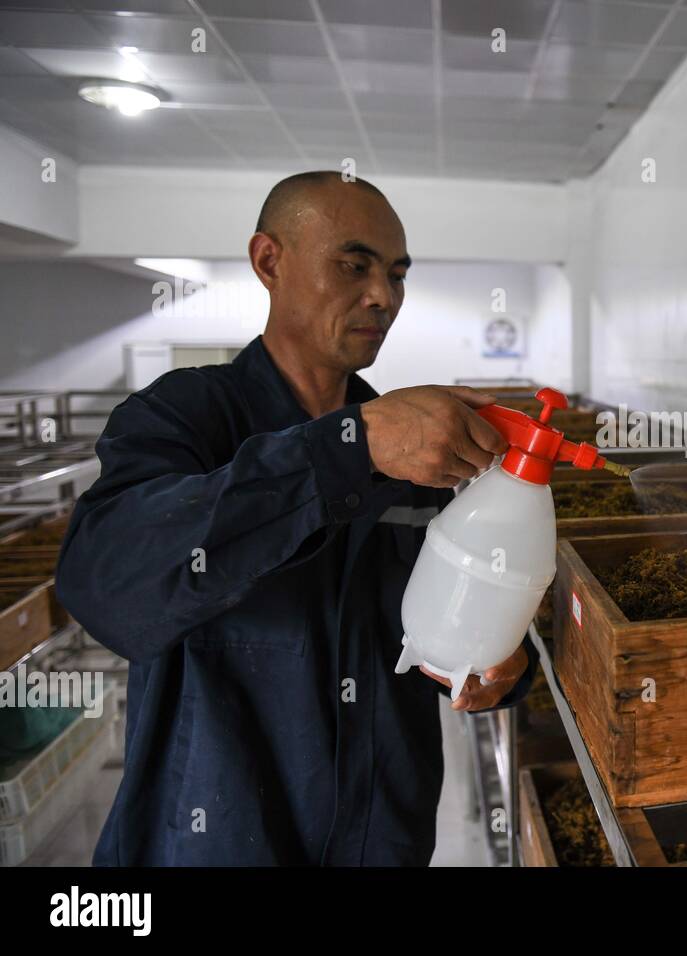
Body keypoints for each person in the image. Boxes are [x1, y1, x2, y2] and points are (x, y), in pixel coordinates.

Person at [55, 171, 538, 866]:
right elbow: (105, 585)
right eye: (354, 264)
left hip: (381, 842)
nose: (384, 296)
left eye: (398, 274)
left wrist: (501, 665)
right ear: (269, 261)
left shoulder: (413, 454)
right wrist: (348, 448)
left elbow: (453, 619)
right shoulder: (186, 417)